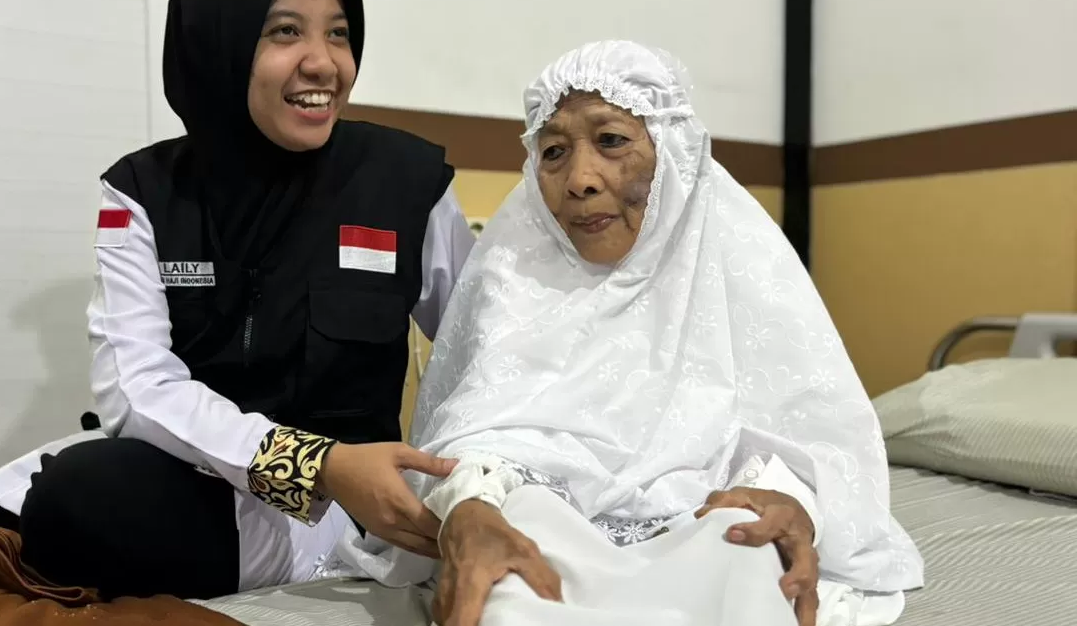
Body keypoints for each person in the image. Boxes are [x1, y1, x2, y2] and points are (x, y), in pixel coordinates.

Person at [0, 0, 477, 600]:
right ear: (215, 43)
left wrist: (451, 481)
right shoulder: (141, 194)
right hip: (193, 481)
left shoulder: (405, 182)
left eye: (338, 32)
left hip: (341, 519)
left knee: (77, 503)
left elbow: (482, 348)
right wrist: (311, 463)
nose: (323, 63)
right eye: (284, 32)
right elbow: (137, 389)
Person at [332, 41, 925, 626]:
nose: (580, 179)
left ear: (674, 154)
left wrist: (789, 499)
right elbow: (476, 433)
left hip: (706, 520)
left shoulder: (740, 264)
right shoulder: (516, 275)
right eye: (554, 151)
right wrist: (471, 504)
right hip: (546, 523)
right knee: (512, 547)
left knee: (743, 544)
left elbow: (811, 433)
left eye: (612, 140)